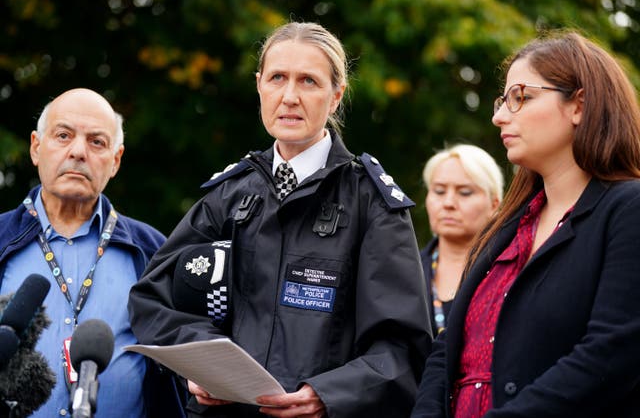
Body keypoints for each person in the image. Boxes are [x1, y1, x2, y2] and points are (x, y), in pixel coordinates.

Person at [128, 21, 431, 418]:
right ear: (259, 86)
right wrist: (202, 365)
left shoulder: (371, 204)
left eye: (308, 81)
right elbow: (154, 299)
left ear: (336, 95)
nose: (289, 96)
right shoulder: (229, 195)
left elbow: (402, 349)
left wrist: (329, 395)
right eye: (277, 78)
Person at [411, 31, 640, 418]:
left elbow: (612, 355)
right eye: (503, 101)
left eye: (521, 97)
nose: (499, 116)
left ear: (579, 106)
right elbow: (446, 352)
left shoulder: (627, 209)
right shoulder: (505, 231)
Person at [0, 88, 185, 417]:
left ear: (115, 161)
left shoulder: (154, 250)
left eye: (97, 142)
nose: (78, 152)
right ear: (36, 148)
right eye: (63, 135)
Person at [421, 144, 503, 336]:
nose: (448, 203)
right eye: (439, 191)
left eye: (465, 192)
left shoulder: (509, 269)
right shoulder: (405, 271)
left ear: (494, 205)